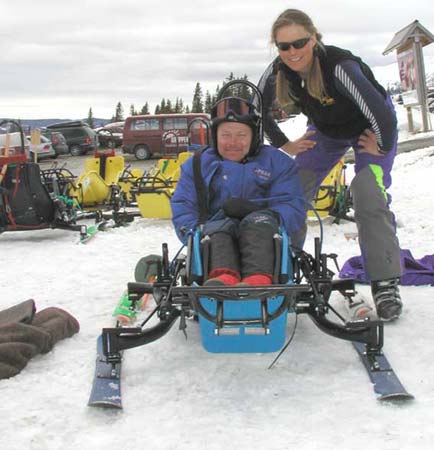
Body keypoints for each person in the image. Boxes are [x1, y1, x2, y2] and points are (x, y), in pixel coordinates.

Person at [258, 9, 402, 320]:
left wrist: (382, 144)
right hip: (326, 132)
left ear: (314, 38)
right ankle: (284, 265)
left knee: (368, 193)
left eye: (300, 43)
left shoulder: (339, 66)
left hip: (371, 128)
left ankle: (385, 281)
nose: (293, 52)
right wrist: (285, 144)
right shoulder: (278, 71)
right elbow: (260, 111)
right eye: (284, 46)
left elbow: (382, 113)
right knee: (293, 188)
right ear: (277, 48)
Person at [171, 96, 306, 286]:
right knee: (217, 230)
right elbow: (183, 206)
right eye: (226, 135)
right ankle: (222, 279)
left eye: (241, 135)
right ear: (215, 136)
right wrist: (196, 234)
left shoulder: (278, 163)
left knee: (258, 225)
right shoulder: (197, 165)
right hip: (215, 236)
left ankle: (258, 280)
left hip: (264, 234)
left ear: (254, 137)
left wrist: (266, 215)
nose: (233, 142)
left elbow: (293, 204)